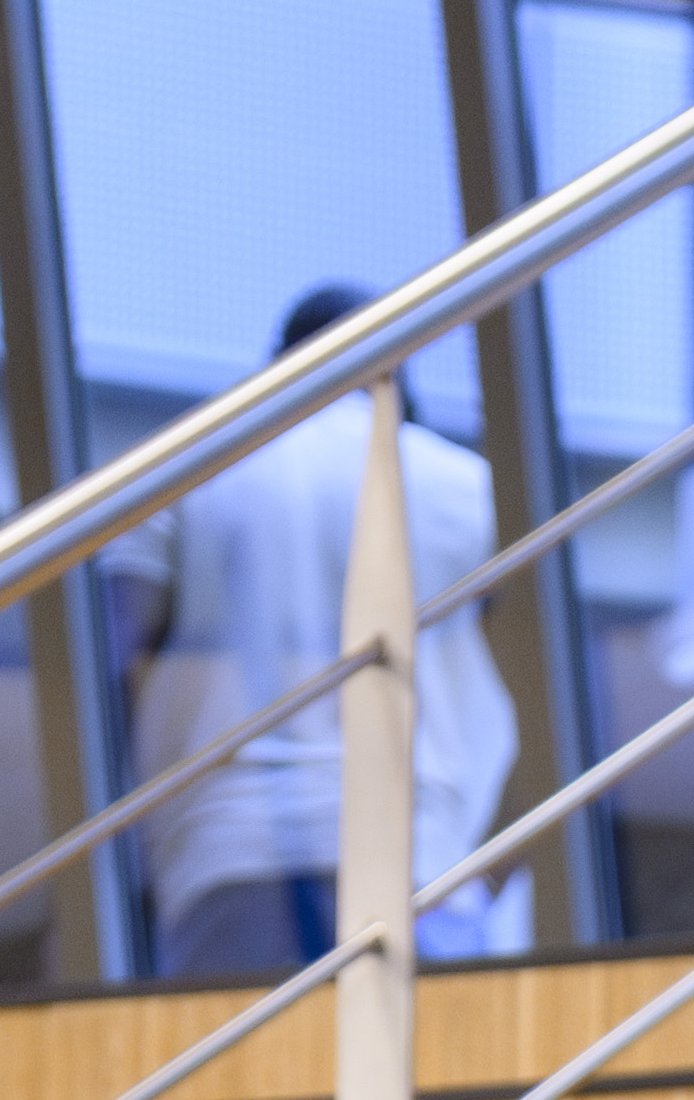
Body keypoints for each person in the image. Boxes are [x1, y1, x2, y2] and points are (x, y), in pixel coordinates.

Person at [139, 284, 518, 980]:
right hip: (416, 847)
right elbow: (541, 687)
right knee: (436, 1080)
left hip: (228, 850)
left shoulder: (189, 473)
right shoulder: (467, 487)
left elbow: (110, 653)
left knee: (234, 1084)